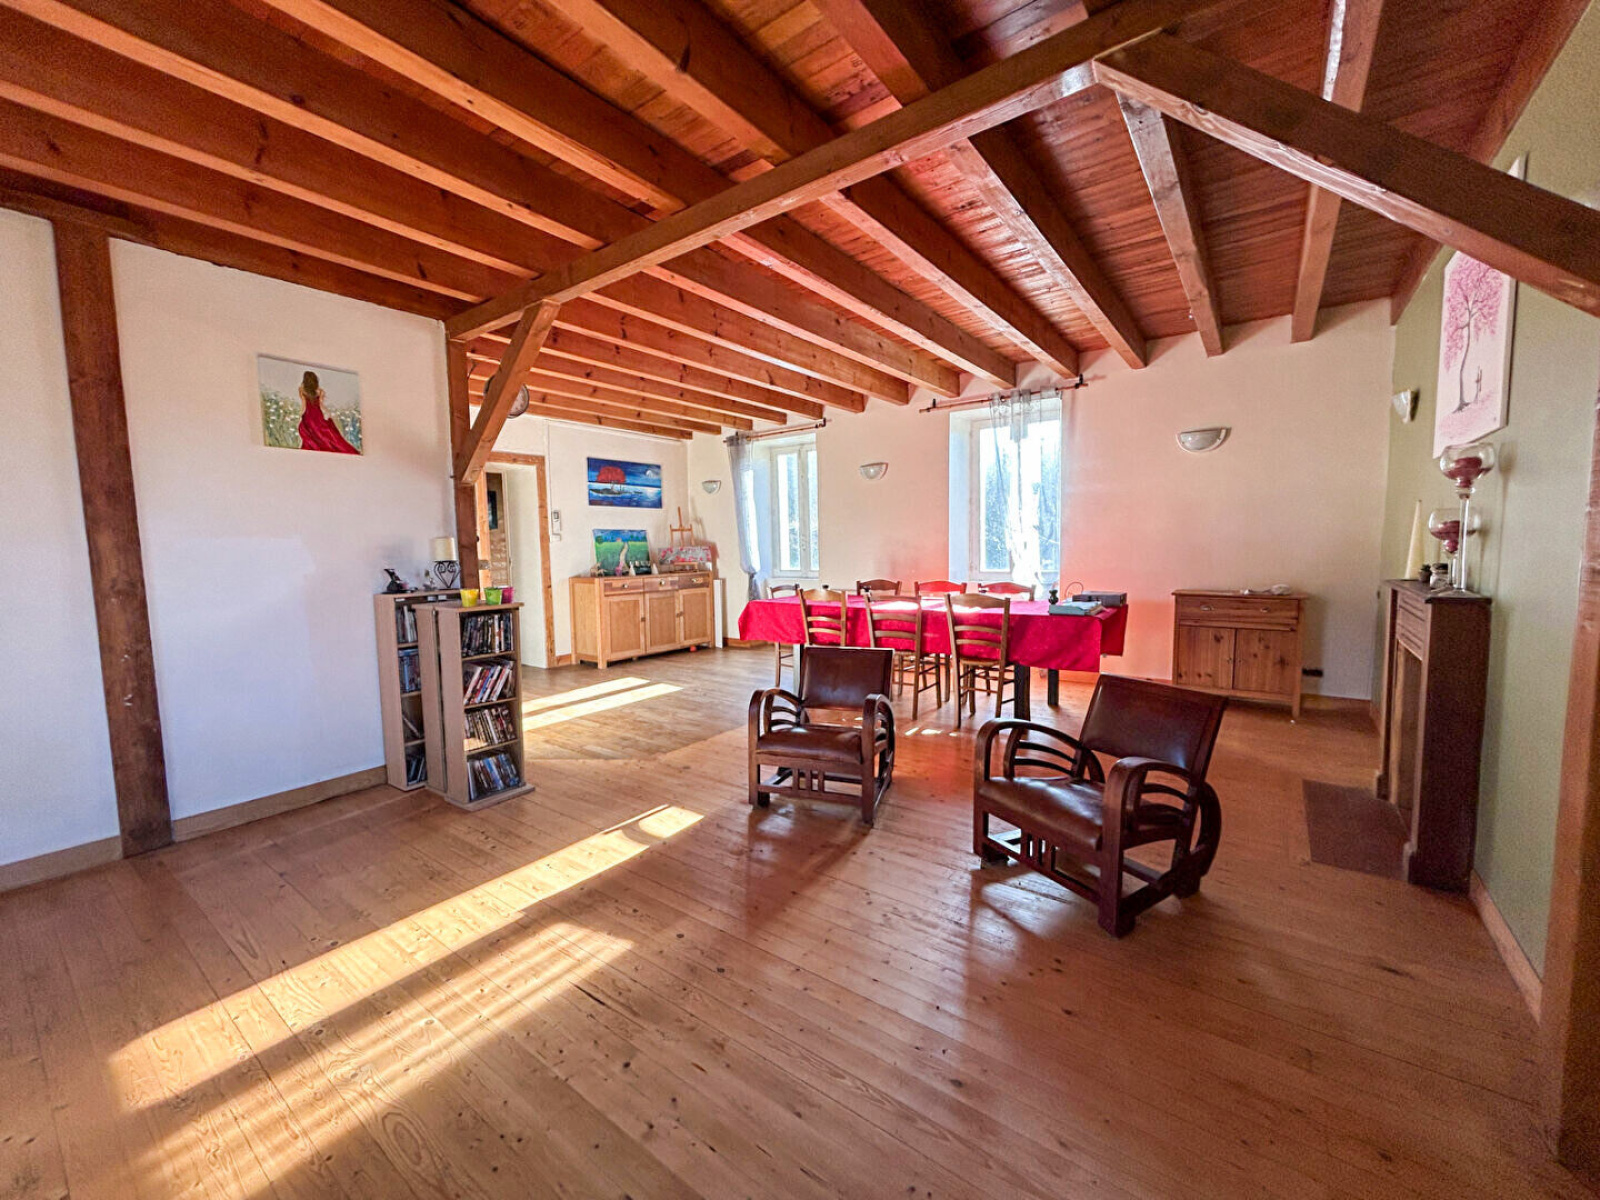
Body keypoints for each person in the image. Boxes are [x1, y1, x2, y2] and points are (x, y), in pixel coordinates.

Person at [296, 370, 358, 454]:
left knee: (310, 433)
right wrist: (328, 413)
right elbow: (321, 405)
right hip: (318, 416)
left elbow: (303, 404)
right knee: (326, 434)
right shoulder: (320, 391)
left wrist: (301, 415)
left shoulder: (302, 390)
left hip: (308, 416)